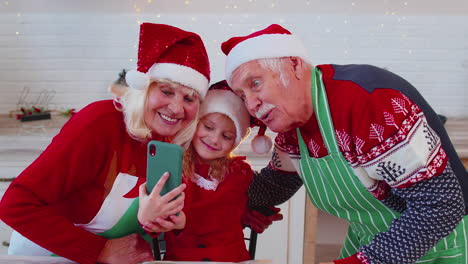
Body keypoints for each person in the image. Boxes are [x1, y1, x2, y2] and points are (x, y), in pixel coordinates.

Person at [221, 24, 468, 264]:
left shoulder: (368, 103)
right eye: (242, 96)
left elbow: (441, 205)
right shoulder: (291, 127)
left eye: (255, 84)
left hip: (438, 243)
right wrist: (228, 198)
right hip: (371, 238)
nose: (251, 104)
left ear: (294, 65)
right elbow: (276, 184)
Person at [0, 22, 211, 264]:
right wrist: (101, 251)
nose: (176, 108)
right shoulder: (100, 123)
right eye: (166, 91)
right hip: (46, 253)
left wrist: (155, 221)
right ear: (144, 89)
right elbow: (15, 205)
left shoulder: (169, 144)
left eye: (189, 98)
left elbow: (136, 218)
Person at [139, 80, 278, 262]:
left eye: (226, 136)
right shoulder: (173, 167)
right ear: (195, 124)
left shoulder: (240, 172)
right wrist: (156, 219)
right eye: (208, 127)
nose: (214, 139)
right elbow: (152, 224)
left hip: (230, 259)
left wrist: (252, 215)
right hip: (181, 259)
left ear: (235, 142)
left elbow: (229, 212)